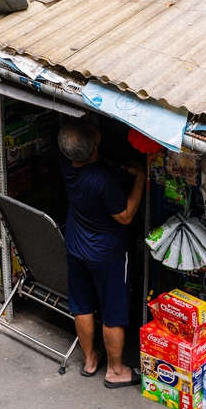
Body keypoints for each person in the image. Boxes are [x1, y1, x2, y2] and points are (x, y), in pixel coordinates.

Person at [58, 119, 145, 388]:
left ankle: (89, 360)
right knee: (113, 313)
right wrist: (140, 177)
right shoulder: (103, 179)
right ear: (94, 144)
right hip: (107, 254)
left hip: (76, 246)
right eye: (93, 130)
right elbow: (126, 216)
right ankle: (116, 371)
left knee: (82, 306)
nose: (96, 127)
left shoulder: (66, 163)